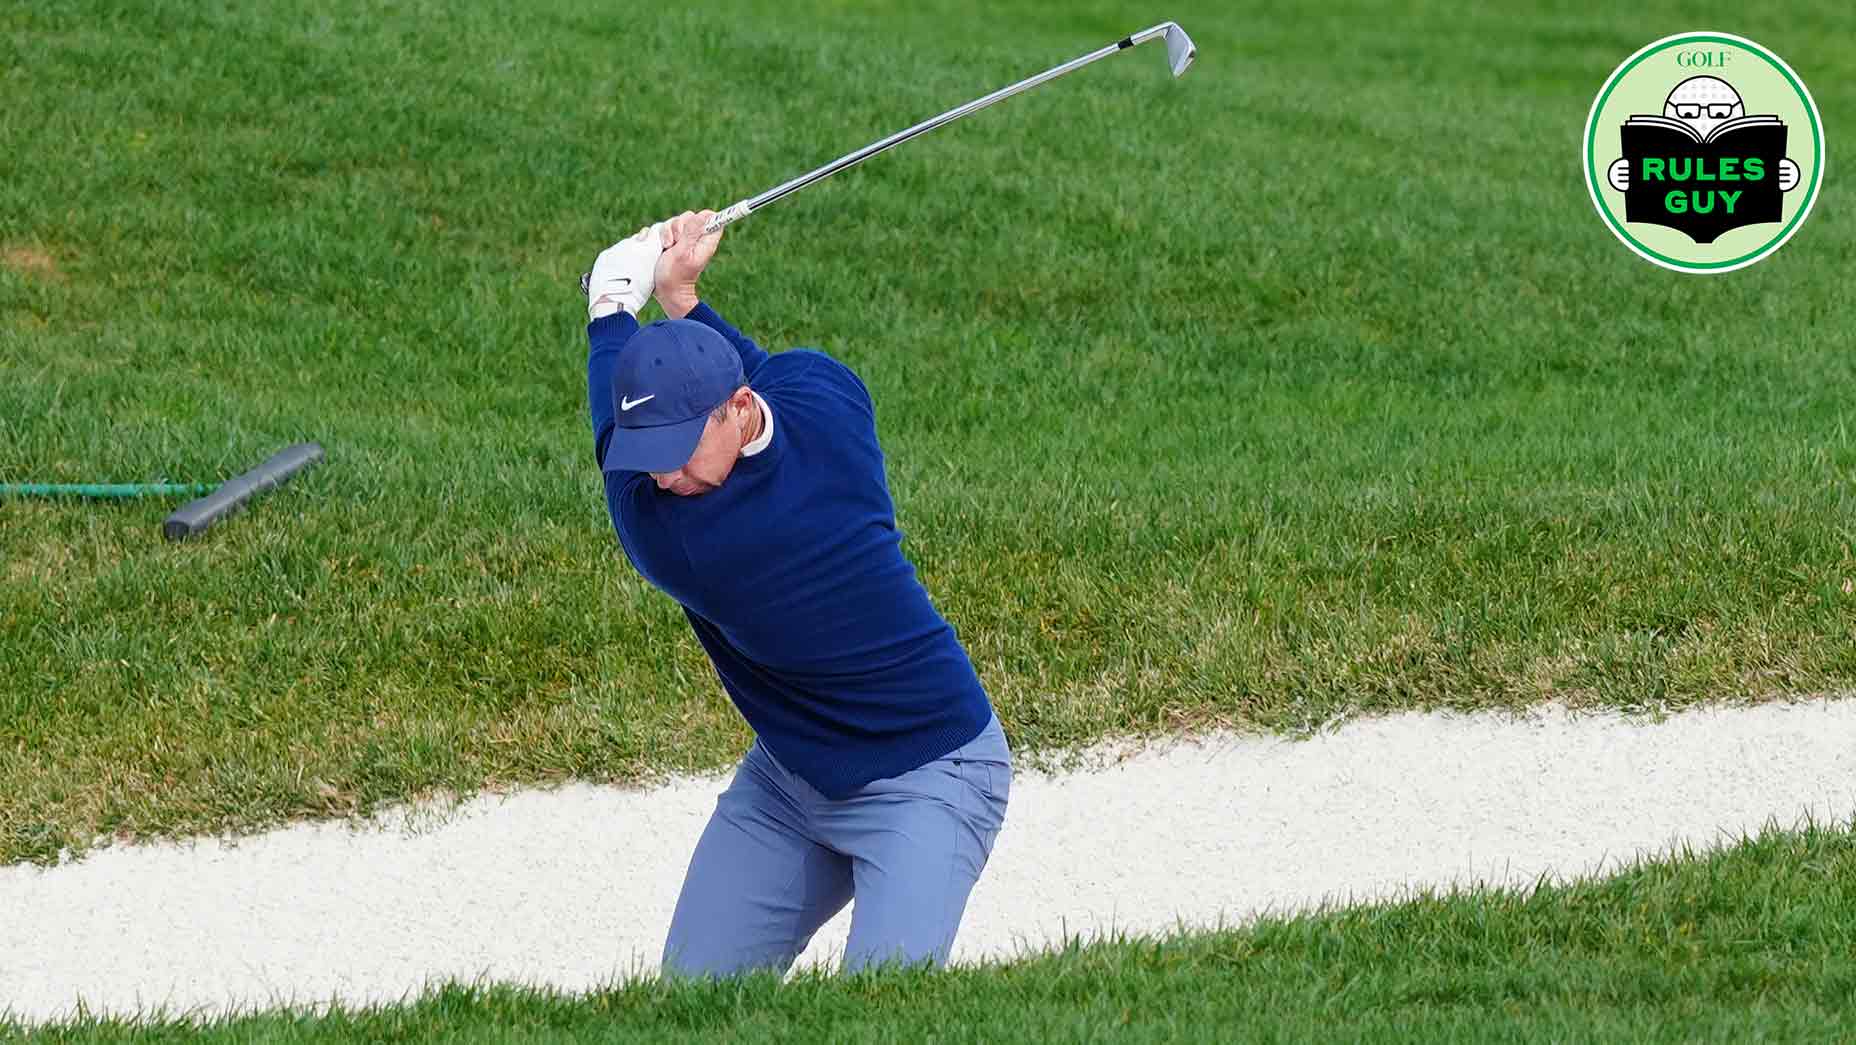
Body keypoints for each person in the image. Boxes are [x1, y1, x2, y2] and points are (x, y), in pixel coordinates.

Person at [582, 211, 1012, 978]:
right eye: (651, 456)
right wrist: (683, 301)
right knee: (691, 1003)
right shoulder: (826, 393)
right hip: (791, 780)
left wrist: (612, 300)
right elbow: (753, 366)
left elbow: (608, 431)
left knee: (879, 1018)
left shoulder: (681, 540)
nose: (663, 478)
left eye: (678, 452)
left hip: (930, 770)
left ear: (738, 410)